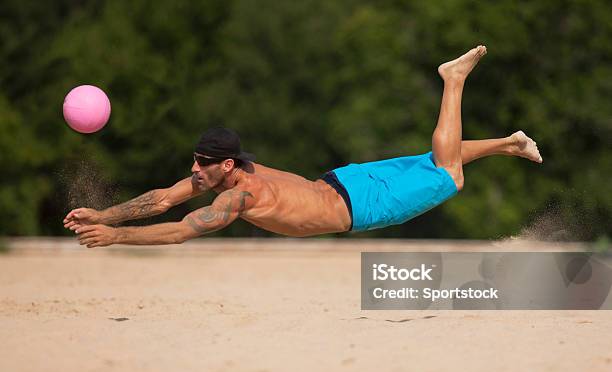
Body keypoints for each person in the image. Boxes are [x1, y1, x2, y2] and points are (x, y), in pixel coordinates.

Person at [64, 45, 542, 248]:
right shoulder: (231, 173)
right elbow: (163, 200)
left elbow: (182, 230)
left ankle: (452, 80)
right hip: (344, 181)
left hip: (361, 203)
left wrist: (117, 238)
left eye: (202, 164)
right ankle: (506, 145)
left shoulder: (237, 196)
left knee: (448, 174)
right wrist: (102, 216)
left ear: (228, 166)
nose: (194, 170)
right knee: (433, 161)